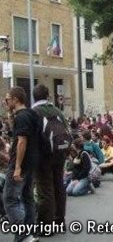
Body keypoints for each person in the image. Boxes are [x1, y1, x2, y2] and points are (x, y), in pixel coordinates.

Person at [3, 87, 40, 242]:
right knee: (27, 197)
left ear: (15, 99)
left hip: (21, 163)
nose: (5, 102)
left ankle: (23, 234)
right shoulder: (32, 114)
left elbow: (21, 142)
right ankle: (30, 233)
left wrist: (17, 166)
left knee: (10, 199)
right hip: (31, 162)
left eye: (7, 99)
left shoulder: (22, 117)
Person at [32, 84, 70, 235]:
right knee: (59, 185)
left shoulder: (35, 112)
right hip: (60, 154)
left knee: (45, 189)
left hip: (43, 156)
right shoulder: (57, 111)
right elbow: (67, 131)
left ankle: (46, 227)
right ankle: (60, 222)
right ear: (48, 96)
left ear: (34, 97)